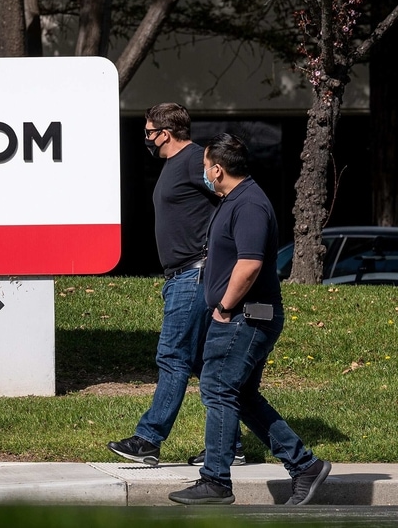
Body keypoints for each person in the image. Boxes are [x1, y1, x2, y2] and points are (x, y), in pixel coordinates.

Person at [168, 133, 331, 505]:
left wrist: (224, 307)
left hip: (245, 316)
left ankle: (216, 481)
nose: (203, 172)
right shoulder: (234, 200)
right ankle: (304, 466)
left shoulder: (250, 205)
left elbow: (250, 262)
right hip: (241, 315)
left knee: (218, 388)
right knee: (240, 395)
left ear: (218, 169)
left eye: (205, 166)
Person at [107, 103, 243, 466]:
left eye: (149, 132)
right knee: (201, 362)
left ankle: (149, 440)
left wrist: (220, 250)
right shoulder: (175, 164)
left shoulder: (197, 160)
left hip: (194, 273)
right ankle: (233, 445)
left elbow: (231, 194)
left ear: (164, 133)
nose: (147, 139)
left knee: (172, 356)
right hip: (181, 276)